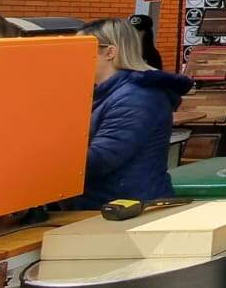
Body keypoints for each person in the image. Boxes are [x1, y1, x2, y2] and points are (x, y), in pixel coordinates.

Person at [73, 17, 193, 210]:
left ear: (110, 52)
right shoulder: (106, 93)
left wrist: (44, 159)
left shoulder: (137, 97)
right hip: (113, 206)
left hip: (129, 211)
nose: (74, 58)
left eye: (81, 50)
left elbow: (103, 158)